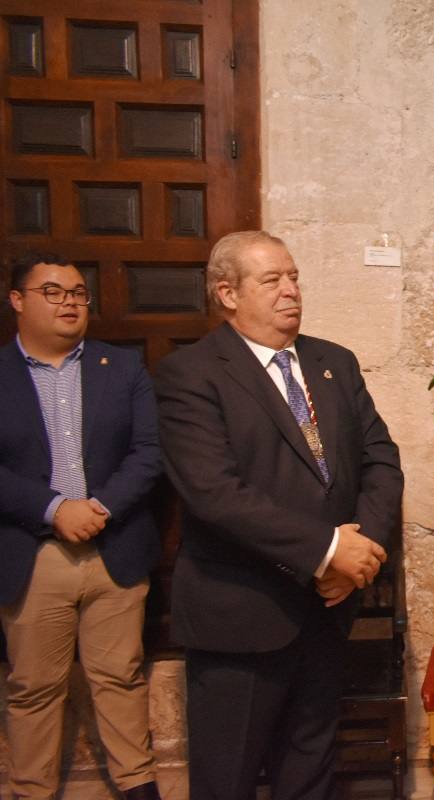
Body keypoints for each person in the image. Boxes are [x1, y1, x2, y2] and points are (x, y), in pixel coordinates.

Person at [154, 231, 404, 800]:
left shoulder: (333, 362)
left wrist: (356, 556)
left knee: (309, 768)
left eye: (293, 277)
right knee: (227, 778)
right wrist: (327, 550)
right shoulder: (190, 374)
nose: (291, 290)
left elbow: (381, 462)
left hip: (327, 609)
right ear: (227, 293)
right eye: (272, 280)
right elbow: (214, 493)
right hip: (241, 613)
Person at [1, 253, 162, 800]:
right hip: (33, 553)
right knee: (34, 689)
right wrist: (53, 509)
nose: (70, 302)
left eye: (77, 293)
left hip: (114, 546)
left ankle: (138, 786)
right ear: (18, 300)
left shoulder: (122, 368)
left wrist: (99, 508)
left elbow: (148, 452)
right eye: (53, 291)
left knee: (120, 677)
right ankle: (31, 791)